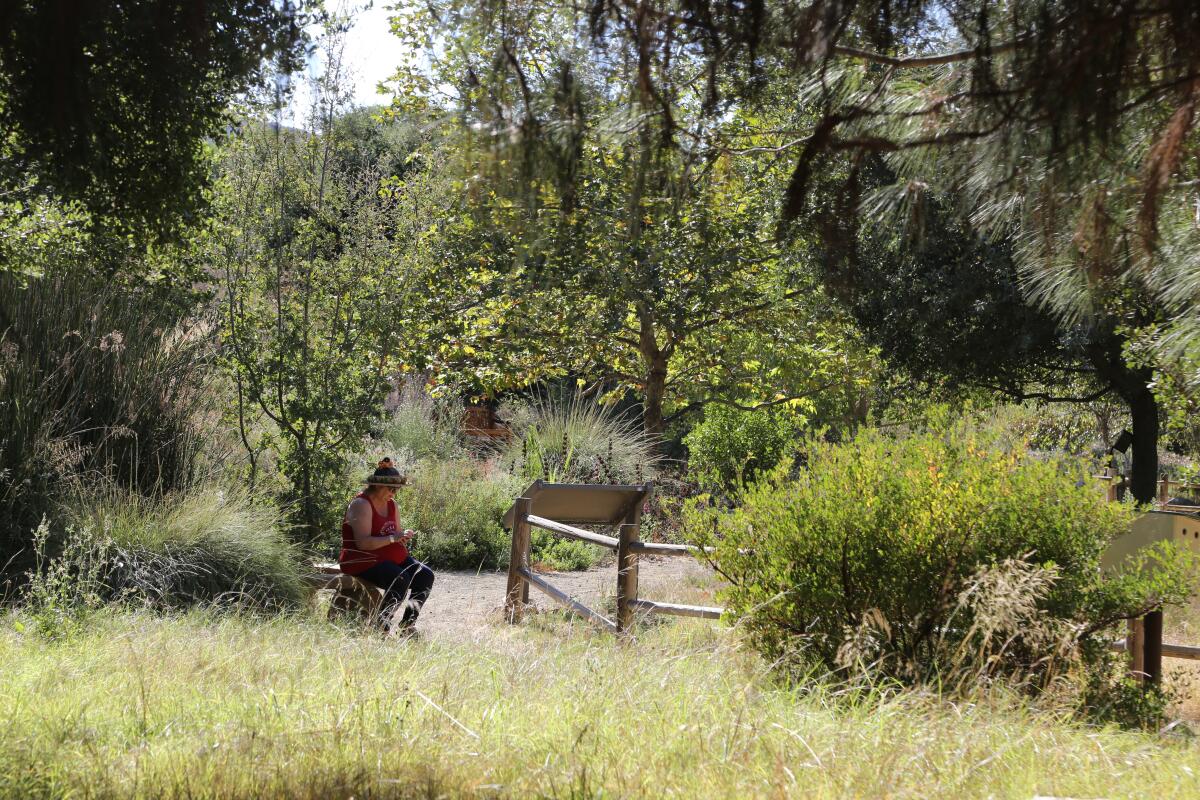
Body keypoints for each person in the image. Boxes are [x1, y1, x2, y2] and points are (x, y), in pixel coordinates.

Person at [338, 458, 434, 633]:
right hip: (362, 560)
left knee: (425, 576)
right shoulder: (361, 504)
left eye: (397, 489)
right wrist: (393, 538)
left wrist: (402, 538)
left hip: (387, 559)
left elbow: (394, 535)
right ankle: (380, 626)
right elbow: (363, 543)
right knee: (400, 578)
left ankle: (407, 625)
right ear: (377, 485)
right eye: (391, 488)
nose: (394, 492)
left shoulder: (392, 505)